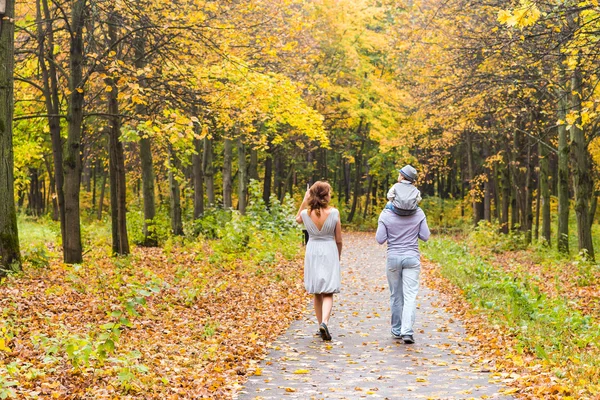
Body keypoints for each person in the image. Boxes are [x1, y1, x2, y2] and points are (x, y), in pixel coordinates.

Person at [376, 171, 430, 344]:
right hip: (412, 258)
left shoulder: (386, 214)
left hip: (393, 258)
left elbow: (380, 239)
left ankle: (396, 329)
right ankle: (407, 331)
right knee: (410, 295)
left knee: (396, 295)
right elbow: (425, 236)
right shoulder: (419, 213)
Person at [296, 181, 342, 341]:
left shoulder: (306, 214)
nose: (330, 195)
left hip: (313, 250)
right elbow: (339, 239)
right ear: (325, 195)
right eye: (329, 192)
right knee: (328, 291)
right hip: (329, 249)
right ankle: (325, 322)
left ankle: (319, 325)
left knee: (317, 291)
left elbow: (297, 219)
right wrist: (338, 256)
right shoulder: (334, 213)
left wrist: (304, 199)